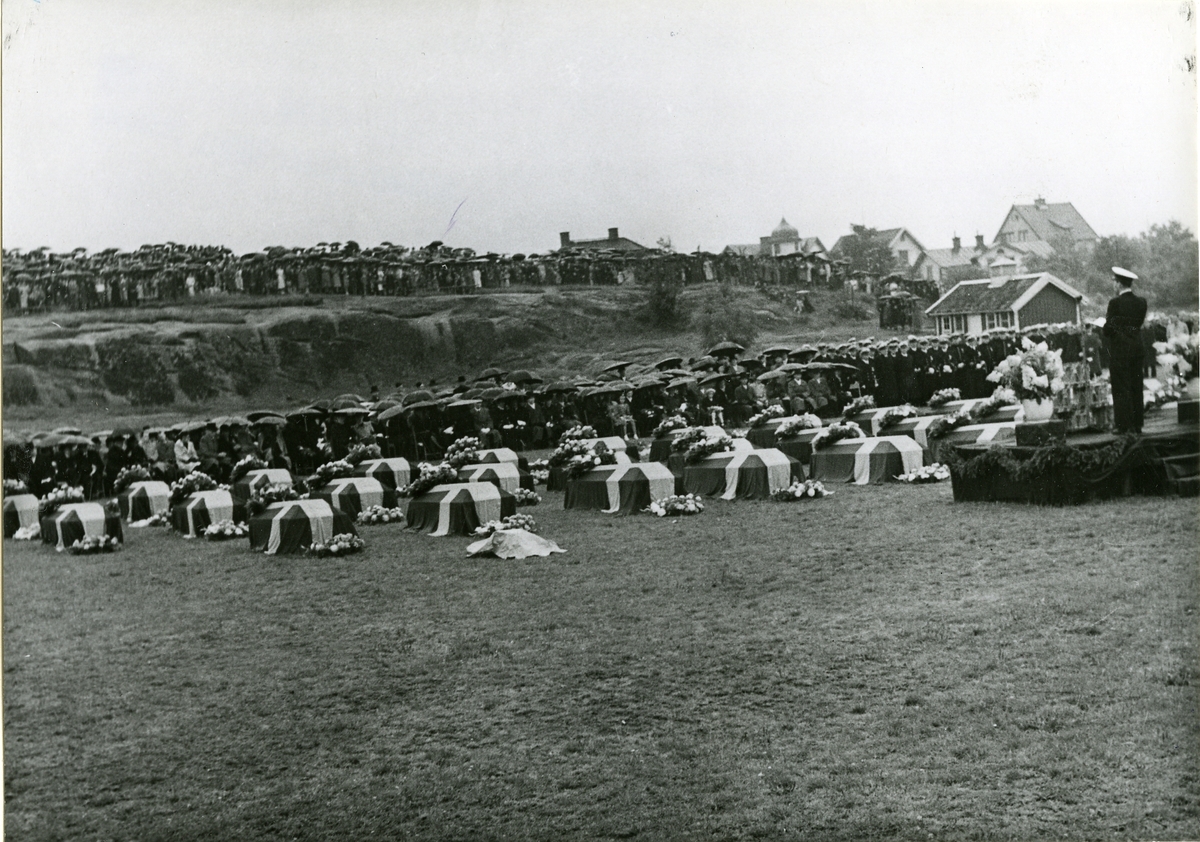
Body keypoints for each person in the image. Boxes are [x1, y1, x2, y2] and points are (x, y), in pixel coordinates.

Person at [1102, 266, 1148, 434]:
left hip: (1121, 350)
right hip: (1137, 347)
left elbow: (1109, 329)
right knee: (1136, 386)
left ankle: (1124, 425)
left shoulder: (1114, 303)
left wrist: (1104, 326)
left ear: (1119, 284)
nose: (1113, 285)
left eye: (1114, 281)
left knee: (1121, 388)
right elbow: (1137, 324)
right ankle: (1137, 424)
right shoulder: (1141, 302)